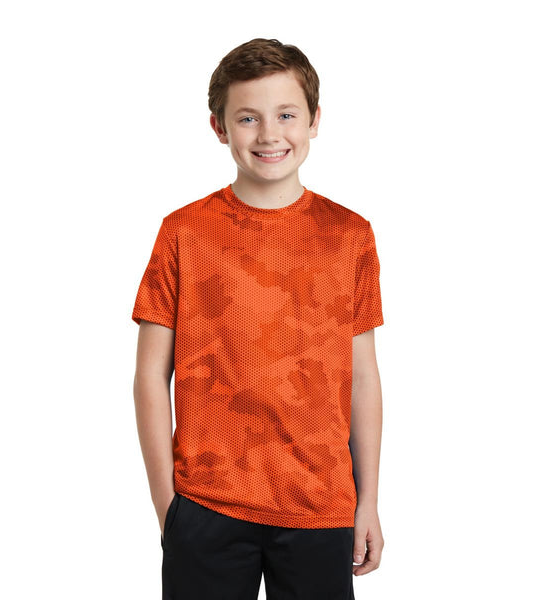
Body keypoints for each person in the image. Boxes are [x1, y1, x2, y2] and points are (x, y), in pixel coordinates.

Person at [131, 37, 385, 600]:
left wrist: (366, 500)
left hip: (320, 504)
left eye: (286, 115)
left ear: (314, 120)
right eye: (248, 118)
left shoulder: (350, 235)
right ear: (220, 128)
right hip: (207, 503)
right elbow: (150, 375)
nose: (269, 134)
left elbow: (362, 377)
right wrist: (167, 507)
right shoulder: (183, 232)